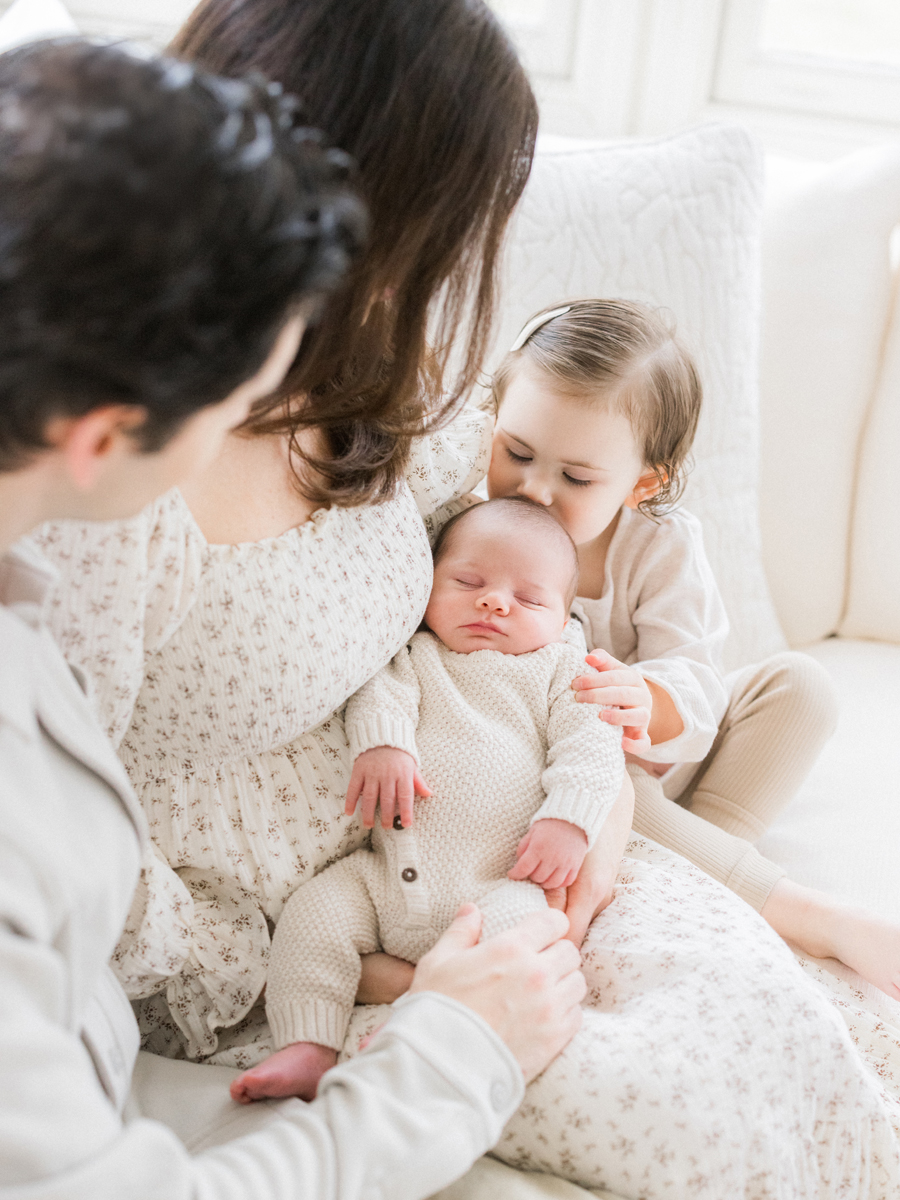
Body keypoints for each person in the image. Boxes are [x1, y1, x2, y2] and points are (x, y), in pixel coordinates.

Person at [0, 39, 586, 1199]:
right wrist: (445, 1043)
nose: (260, 419)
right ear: (107, 435)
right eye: (232, 397)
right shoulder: (81, 604)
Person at [486, 297, 900, 1001]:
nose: (533, 489)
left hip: (653, 752)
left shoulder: (661, 542)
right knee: (610, 775)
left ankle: (698, 857)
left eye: (577, 478)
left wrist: (651, 699)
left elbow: (695, 675)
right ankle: (795, 909)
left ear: (641, 484)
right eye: (516, 452)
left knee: (801, 686)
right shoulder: (478, 527)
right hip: (563, 774)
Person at [232, 498, 624, 1103]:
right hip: (382, 879)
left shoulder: (561, 668)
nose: (494, 602)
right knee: (313, 915)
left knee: (520, 947)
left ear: (566, 616)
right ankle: (307, 1045)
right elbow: (379, 695)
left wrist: (568, 820)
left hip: (499, 884)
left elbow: (593, 745)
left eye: (530, 599)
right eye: (468, 582)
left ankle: (428, 1035)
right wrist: (384, 746)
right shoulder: (415, 655)